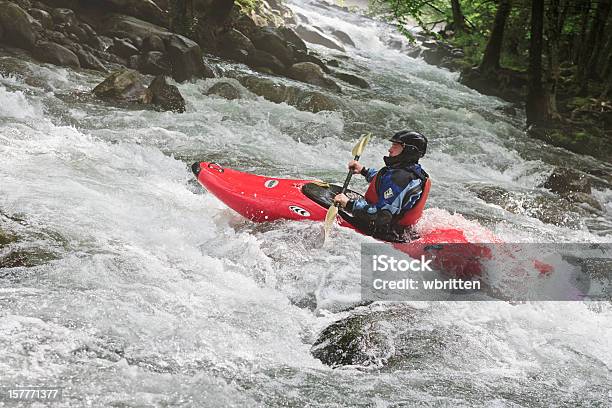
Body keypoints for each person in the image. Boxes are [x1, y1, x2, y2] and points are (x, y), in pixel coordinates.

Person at [333, 130, 430, 242]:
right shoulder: (411, 171)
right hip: (399, 230)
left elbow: (382, 216)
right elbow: (387, 181)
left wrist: (349, 204)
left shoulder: (400, 179)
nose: (390, 149)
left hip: (384, 233)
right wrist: (364, 171)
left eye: (395, 145)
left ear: (408, 150)